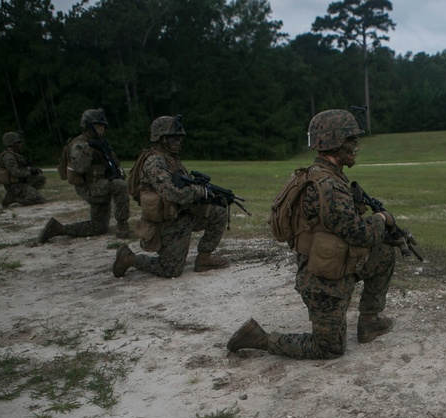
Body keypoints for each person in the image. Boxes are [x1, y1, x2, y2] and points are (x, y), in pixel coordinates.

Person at [226, 109, 397, 359]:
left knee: (384, 253)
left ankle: (370, 321)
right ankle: (258, 338)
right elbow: (359, 234)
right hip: (322, 281)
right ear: (335, 143)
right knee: (329, 348)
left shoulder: (318, 174)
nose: (355, 147)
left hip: (334, 264)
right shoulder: (328, 186)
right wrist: (382, 219)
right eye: (351, 141)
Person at [111, 114, 229, 278]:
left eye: (180, 137)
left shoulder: (171, 160)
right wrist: (198, 191)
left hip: (181, 216)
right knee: (170, 270)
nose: (179, 141)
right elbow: (172, 194)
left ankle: (204, 258)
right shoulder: (154, 162)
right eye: (175, 137)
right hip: (166, 224)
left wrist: (207, 195)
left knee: (219, 212)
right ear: (162, 139)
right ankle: (129, 258)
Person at [38, 108, 131, 243]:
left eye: (102, 126)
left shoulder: (103, 143)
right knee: (120, 186)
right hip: (88, 187)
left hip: (101, 185)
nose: (101, 129)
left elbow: (115, 164)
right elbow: (80, 167)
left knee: (99, 227)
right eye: (97, 125)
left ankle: (58, 229)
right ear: (87, 126)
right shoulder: (78, 144)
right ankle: (123, 225)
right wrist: (89, 148)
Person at [0, 132, 46, 207]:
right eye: (18, 142)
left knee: (40, 178)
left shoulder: (15, 154)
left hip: (21, 182)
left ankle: (23, 193)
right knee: (38, 199)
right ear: (11, 143)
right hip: (14, 186)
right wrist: (29, 170)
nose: (20, 144)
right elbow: (15, 172)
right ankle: (16, 199)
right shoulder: (9, 157)